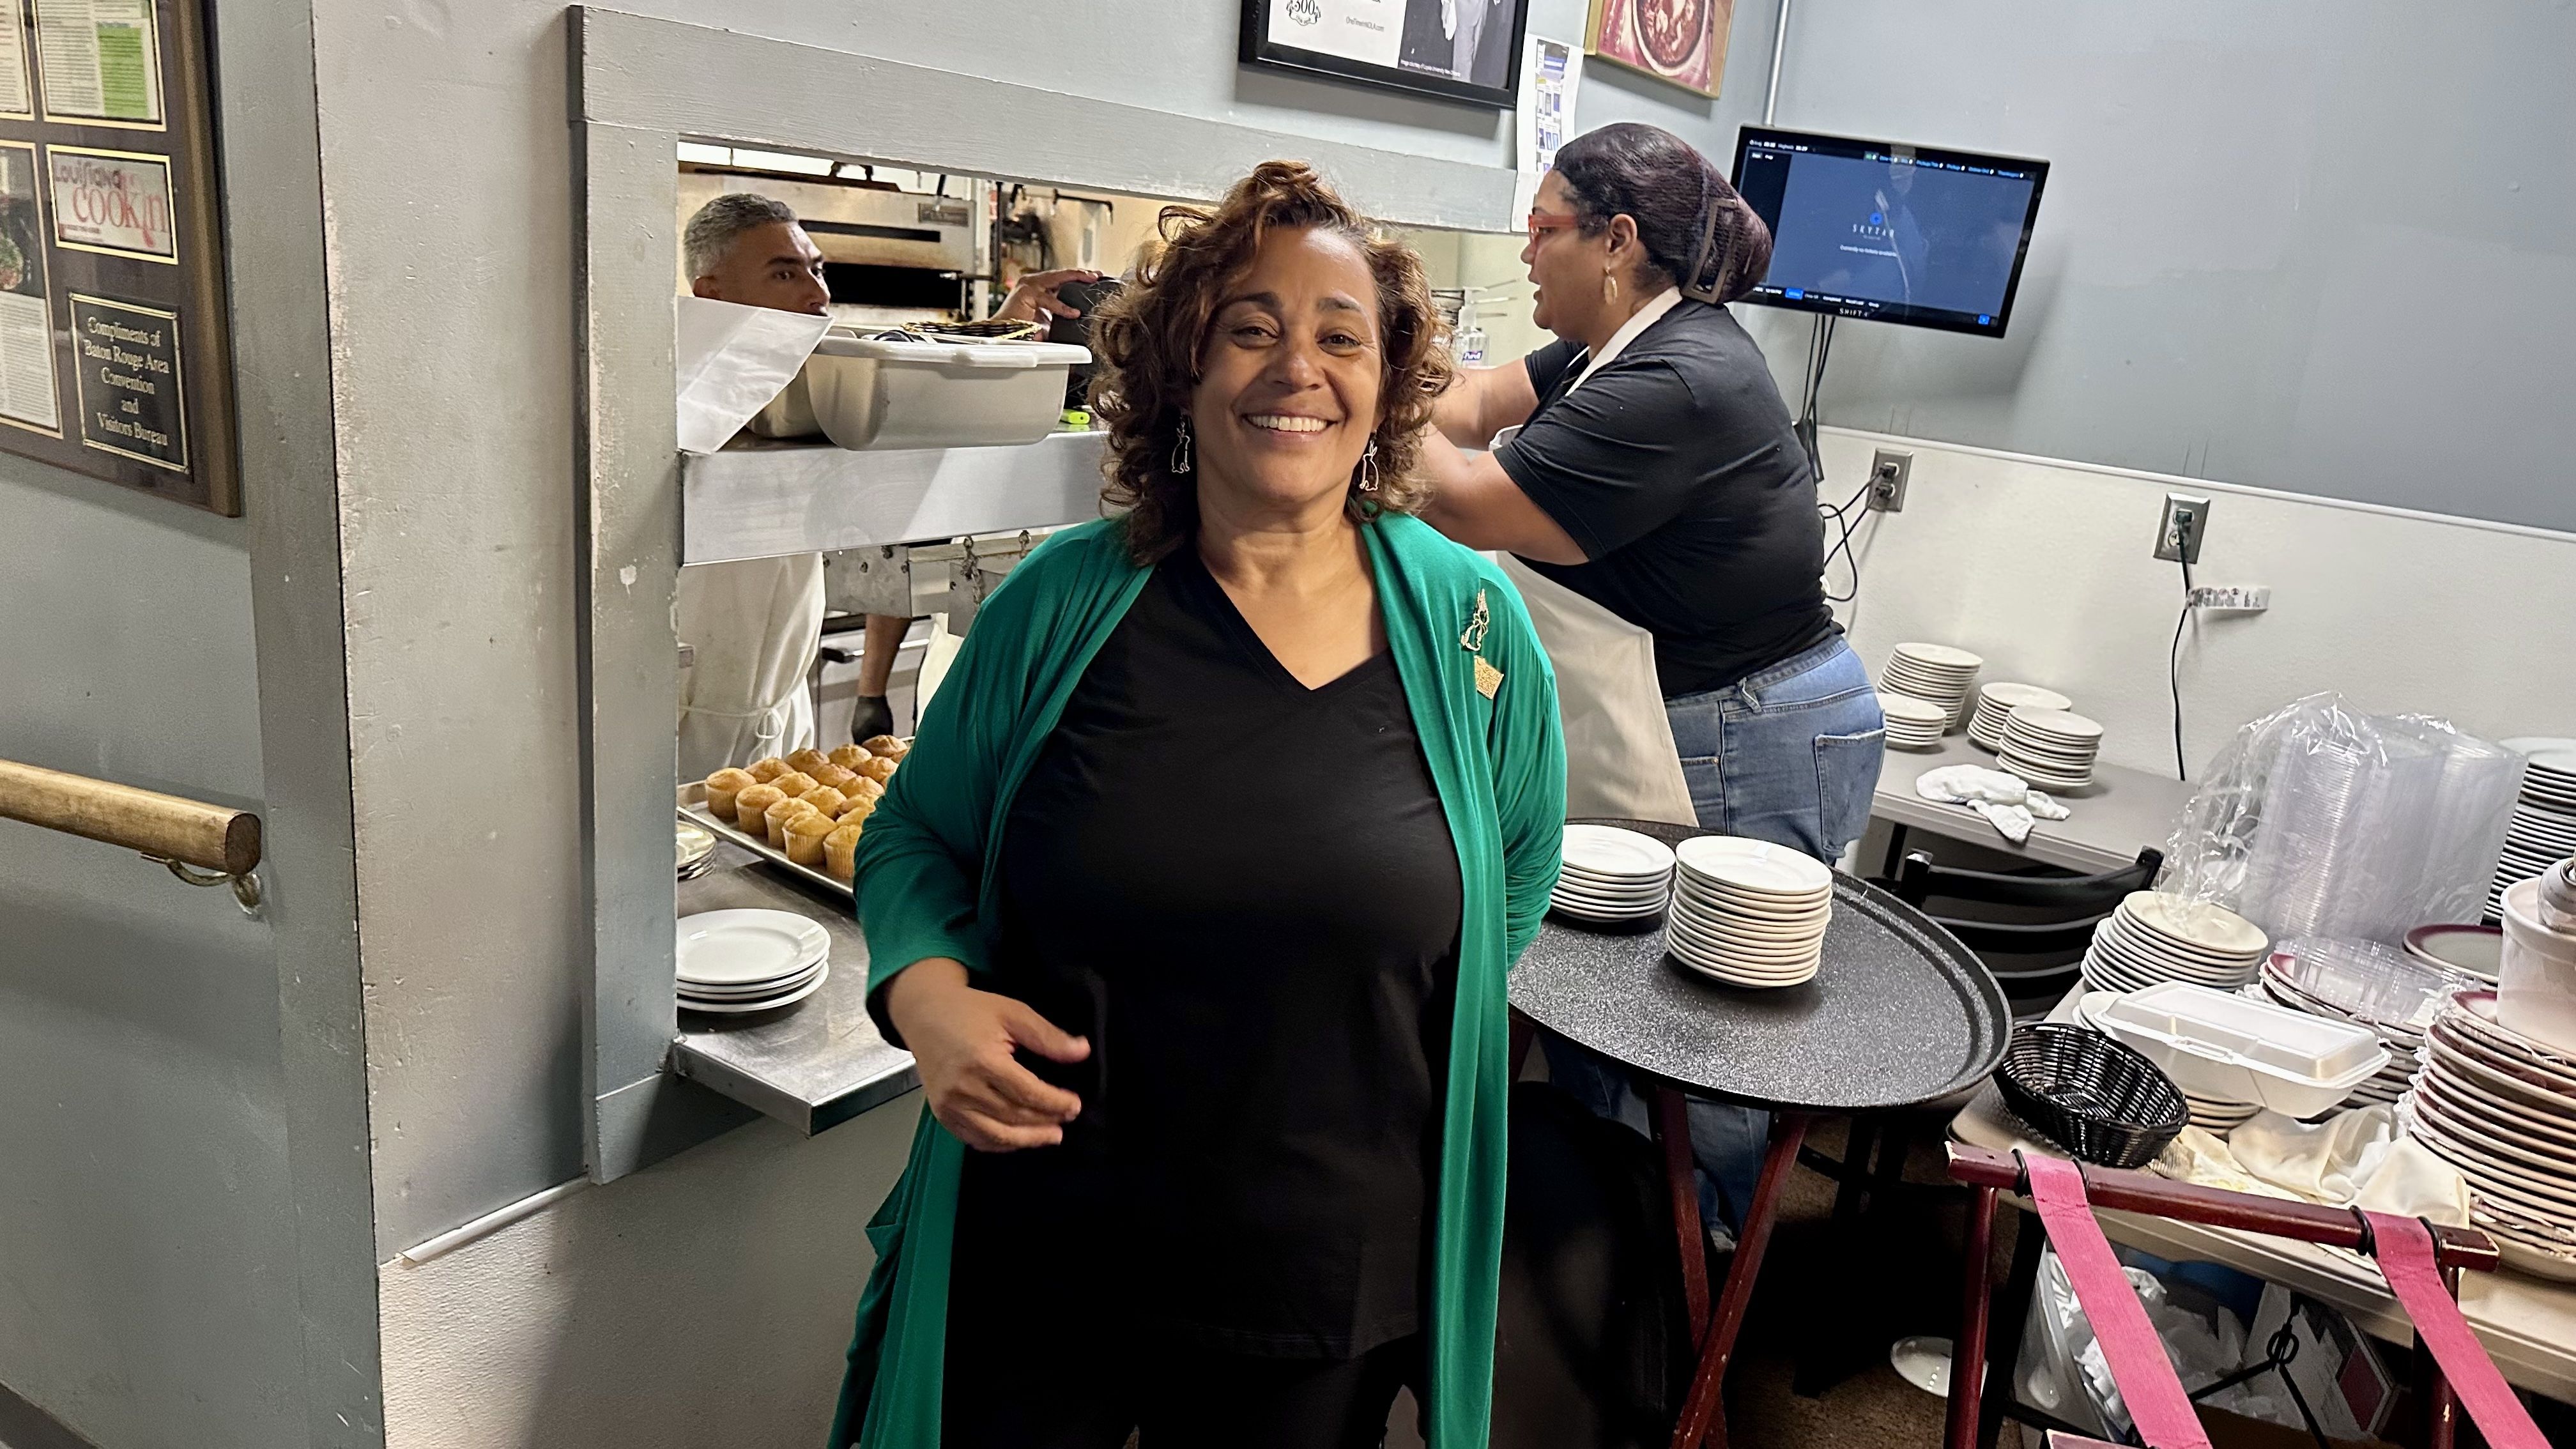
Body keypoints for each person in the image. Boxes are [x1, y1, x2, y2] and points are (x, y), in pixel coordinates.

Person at [827, 161, 1565, 1449]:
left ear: (1385, 383)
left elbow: (1510, 891)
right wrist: (928, 998)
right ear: (1182, 371)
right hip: (1047, 1244)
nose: (1298, 368)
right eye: (1252, 329)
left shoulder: (1474, 629)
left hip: (1320, 1285)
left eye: (1342, 336)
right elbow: (915, 838)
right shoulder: (1058, 606)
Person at [1413, 123, 1887, 1231]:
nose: (1525, 254)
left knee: (1702, 1030)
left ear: (1616, 241)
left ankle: (1698, 1273)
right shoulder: (1604, 350)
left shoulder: (1679, 378)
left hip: (1755, 728)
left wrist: (1331, 388)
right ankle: (1631, 1259)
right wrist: (1370, 354)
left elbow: (1467, 497)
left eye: (1540, 231)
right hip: (1709, 711)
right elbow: (1474, 403)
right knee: (1623, 1008)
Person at [671, 190, 1103, 769]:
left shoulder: (818, 380)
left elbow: (915, 400)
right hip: (684, 719)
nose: (818, 293)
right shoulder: (677, 395)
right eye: (784, 273)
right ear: (711, 294)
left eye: (816, 269)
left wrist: (1003, 331)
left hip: (781, 703)